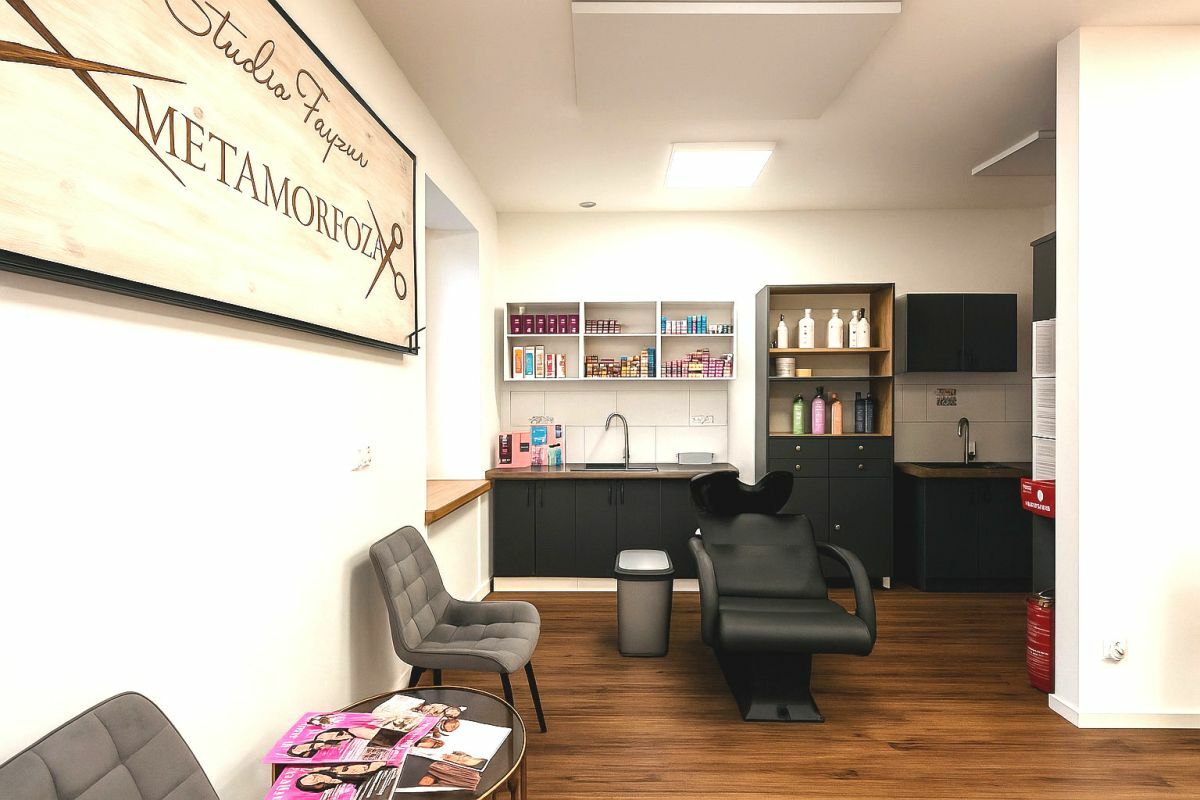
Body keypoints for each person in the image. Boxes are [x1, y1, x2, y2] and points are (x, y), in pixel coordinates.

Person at [294, 762, 388, 793]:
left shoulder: (334, 770)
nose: (320, 778)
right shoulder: (342, 788)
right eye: (316, 782)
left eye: (315, 776)